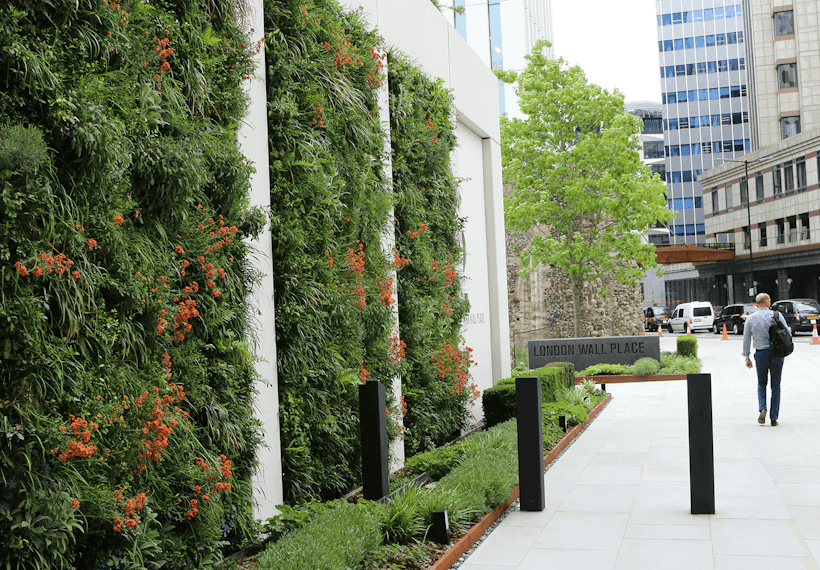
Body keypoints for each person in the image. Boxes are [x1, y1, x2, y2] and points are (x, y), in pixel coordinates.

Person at [742, 292, 788, 426]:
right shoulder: (777, 315)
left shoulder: (750, 318)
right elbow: (787, 332)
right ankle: (774, 418)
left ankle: (762, 409)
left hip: (761, 354)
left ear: (757, 303)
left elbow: (746, 339)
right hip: (777, 354)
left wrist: (747, 357)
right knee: (776, 385)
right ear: (767, 302)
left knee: (761, 383)